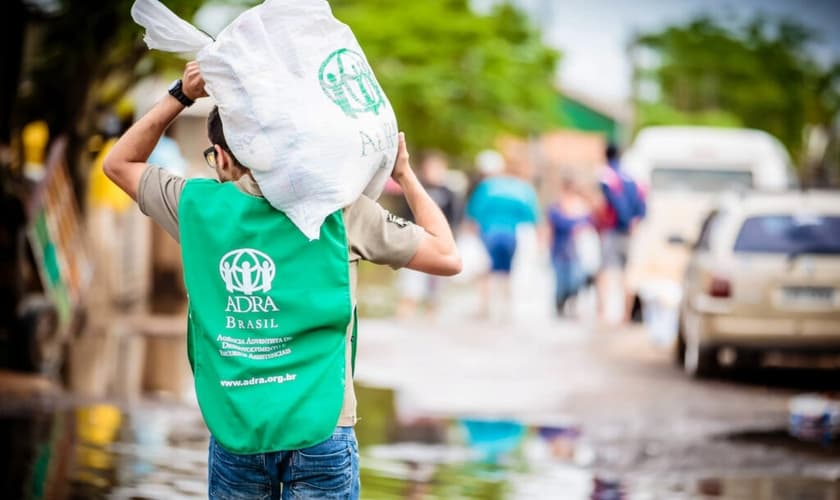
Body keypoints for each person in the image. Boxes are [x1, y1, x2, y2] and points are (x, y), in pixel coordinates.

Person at [103, 61, 461, 499]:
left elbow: (119, 162)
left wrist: (182, 94)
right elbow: (447, 255)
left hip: (237, 429)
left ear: (224, 156)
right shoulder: (342, 212)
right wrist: (403, 175)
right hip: (323, 430)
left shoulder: (195, 207)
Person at [465, 150, 540, 320]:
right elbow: (533, 218)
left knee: (485, 269)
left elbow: (472, 215)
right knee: (508, 271)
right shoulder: (524, 188)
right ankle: (506, 307)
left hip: (488, 233)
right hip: (512, 235)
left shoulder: (488, 186)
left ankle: (485, 306)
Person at [395, 150, 460, 318]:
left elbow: (454, 218)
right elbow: (403, 214)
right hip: (416, 242)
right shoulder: (416, 188)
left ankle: (431, 316)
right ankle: (405, 316)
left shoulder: (448, 193)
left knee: (436, 289)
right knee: (410, 286)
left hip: (438, 244)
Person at [593, 143, 645, 324]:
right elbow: (642, 205)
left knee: (606, 271)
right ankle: (626, 314)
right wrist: (634, 220)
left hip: (613, 229)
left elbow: (615, 201)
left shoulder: (607, 176)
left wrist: (623, 220)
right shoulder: (632, 178)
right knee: (627, 272)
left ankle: (602, 313)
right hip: (630, 231)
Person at [547, 175, 592, 316]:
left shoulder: (580, 205)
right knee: (561, 281)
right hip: (560, 248)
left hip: (576, 249)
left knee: (575, 279)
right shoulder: (556, 205)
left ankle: (572, 304)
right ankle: (560, 304)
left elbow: (589, 220)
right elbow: (556, 224)